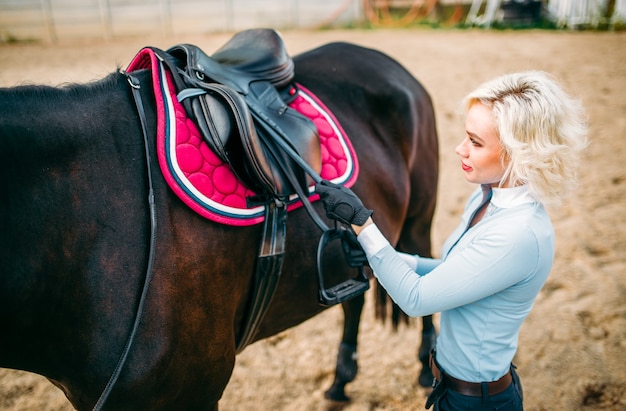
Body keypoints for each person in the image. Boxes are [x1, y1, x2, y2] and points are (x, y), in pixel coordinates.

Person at [315, 70, 588, 410]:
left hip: (475, 402)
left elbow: (416, 300)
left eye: (475, 142)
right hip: (454, 389)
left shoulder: (517, 235)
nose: (460, 149)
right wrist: (391, 260)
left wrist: (363, 225)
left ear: (520, 154)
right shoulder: (488, 196)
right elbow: (456, 272)